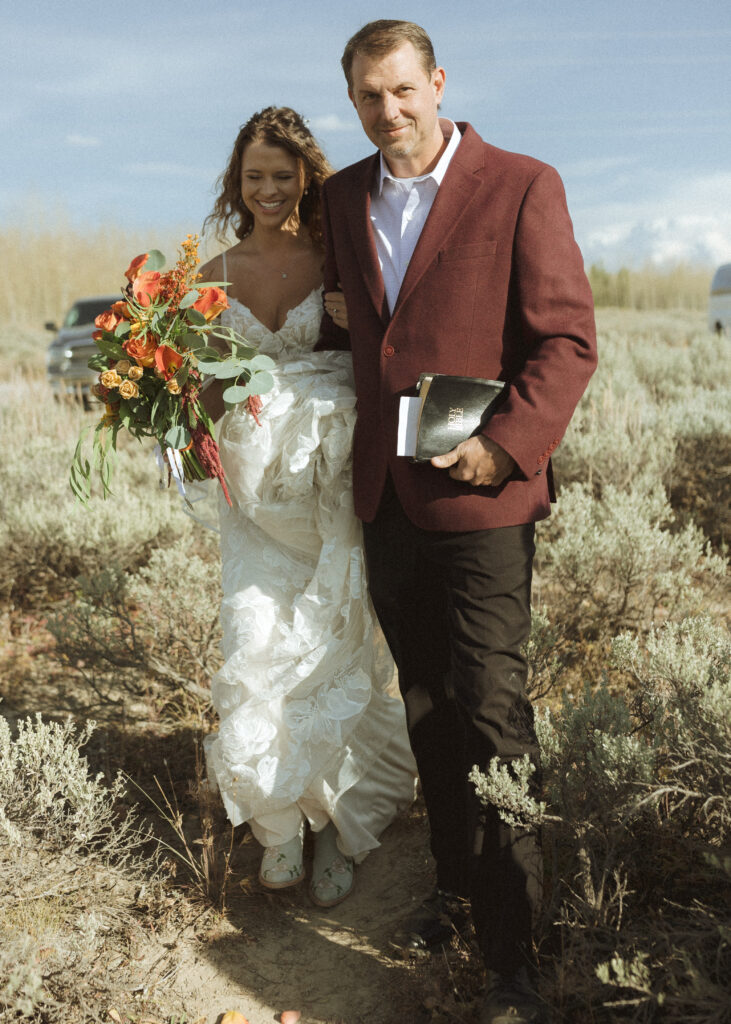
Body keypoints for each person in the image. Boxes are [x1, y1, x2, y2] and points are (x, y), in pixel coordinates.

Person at [316, 21, 597, 1023]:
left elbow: (565, 339)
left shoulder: (520, 183)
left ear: (436, 82)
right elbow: (352, 327)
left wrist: (503, 445)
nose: (385, 112)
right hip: (387, 501)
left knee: (488, 709)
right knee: (427, 708)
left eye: (400, 90)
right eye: (364, 97)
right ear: (350, 100)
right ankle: (450, 889)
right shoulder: (341, 198)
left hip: (483, 500)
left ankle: (517, 944)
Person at [198, 106, 416, 909]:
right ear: (237, 180)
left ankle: (341, 829)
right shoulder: (212, 274)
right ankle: (279, 826)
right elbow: (208, 386)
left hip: (329, 493)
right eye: (253, 176)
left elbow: (390, 351)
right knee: (256, 645)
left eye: (281, 176)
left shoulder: (338, 259)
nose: (266, 189)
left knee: (332, 649)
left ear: (305, 179)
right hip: (252, 502)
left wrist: (363, 321)